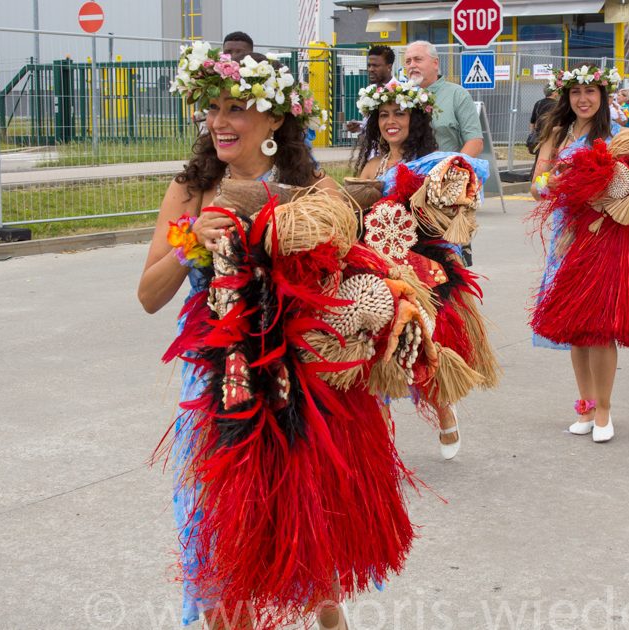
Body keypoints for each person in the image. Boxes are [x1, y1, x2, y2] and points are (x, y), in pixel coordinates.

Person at [141, 43, 420, 630]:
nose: (220, 121)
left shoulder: (314, 189)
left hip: (303, 379)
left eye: (237, 107)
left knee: (306, 520)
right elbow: (148, 294)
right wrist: (191, 239)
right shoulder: (190, 190)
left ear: (275, 119)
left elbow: (356, 273)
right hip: (222, 384)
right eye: (213, 108)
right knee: (222, 530)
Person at [529, 65, 629, 443]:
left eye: (591, 92)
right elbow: (537, 186)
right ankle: (583, 403)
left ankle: (604, 409)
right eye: (576, 92)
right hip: (567, 237)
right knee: (575, 328)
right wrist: (557, 183)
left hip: (605, 236)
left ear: (603, 96)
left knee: (599, 327)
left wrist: (609, 187)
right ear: (566, 97)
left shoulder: (617, 137)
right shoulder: (557, 135)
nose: (583, 99)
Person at [350, 81, 500, 459]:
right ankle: (378, 440)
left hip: (420, 264)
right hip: (375, 265)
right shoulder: (371, 164)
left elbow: (453, 205)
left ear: (415, 118)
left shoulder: (431, 162)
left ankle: (444, 409)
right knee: (376, 349)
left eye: (399, 114)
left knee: (423, 345)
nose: (390, 122)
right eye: (383, 115)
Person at [403, 40, 483, 157]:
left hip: (446, 171)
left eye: (418, 59)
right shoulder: (401, 97)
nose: (412, 65)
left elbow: (475, 142)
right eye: (408, 61)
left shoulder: (457, 95)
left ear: (435, 63)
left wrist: (451, 169)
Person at [345, 45, 395, 134]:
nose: (370, 69)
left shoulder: (400, 92)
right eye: (369, 65)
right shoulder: (369, 90)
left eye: (375, 66)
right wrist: (360, 126)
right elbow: (371, 123)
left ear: (389, 67)